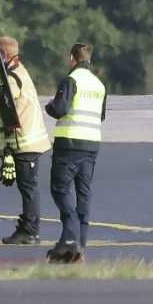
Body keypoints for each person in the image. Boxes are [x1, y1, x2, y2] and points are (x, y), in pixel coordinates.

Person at [44, 43, 106, 263]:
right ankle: (80, 245)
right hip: (91, 144)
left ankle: (70, 236)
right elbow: (101, 116)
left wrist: (49, 107)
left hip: (70, 143)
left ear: (72, 58)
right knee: (83, 194)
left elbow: (60, 109)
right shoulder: (99, 84)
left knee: (60, 189)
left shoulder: (71, 80)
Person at [0, 36, 52, 245]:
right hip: (27, 141)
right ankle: (29, 226)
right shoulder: (20, 71)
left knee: (28, 187)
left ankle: (30, 230)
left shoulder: (12, 77)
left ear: (4, 54)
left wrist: (8, 149)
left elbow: (9, 110)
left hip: (25, 142)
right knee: (27, 186)